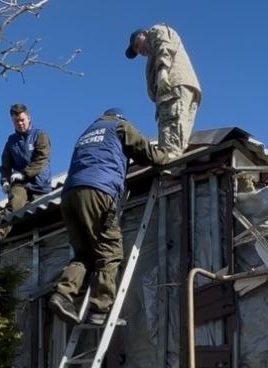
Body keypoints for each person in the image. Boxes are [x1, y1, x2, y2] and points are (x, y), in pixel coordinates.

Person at [50, 108, 173, 326]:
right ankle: (100, 309)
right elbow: (146, 153)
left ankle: (63, 294)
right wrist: (167, 156)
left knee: (84, 254)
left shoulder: (86, 133)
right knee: (110, 250)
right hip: (99, 190)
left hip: (68, 195)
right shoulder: (119, 126)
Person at [125, 24, 201, 155]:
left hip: (172, 87)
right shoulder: (152, 56)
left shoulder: (156, 31)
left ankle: (169, 169)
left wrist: (162, 71)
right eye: (136, 51)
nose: (139, 51)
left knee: (170, 139)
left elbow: (163, 43)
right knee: (179, 138)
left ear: (144, 33)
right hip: (183, 88)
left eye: (137, 44)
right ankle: (176, 166)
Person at [0, 103, 53, 212]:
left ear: (28, 118)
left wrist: (23, 174)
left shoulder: (40, 135)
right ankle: (0, 229)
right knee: (13, 207)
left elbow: (41, 159)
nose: (20, 123)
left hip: (40, 185)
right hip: (20, 184)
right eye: (16, 121)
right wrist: (5, 181)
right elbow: (6, 165)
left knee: (41, 214)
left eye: (22, 120)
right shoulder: (11, 141)